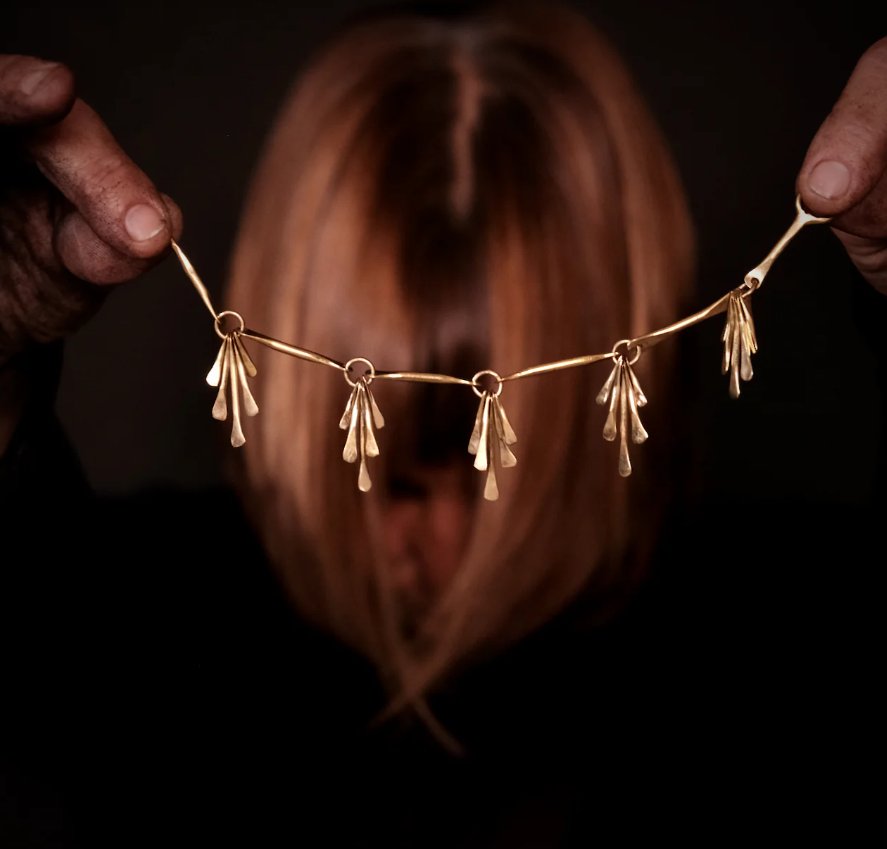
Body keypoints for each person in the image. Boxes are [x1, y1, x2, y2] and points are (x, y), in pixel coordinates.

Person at [0, 2, 884, 846]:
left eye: (514, 466)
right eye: (398, 480)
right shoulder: (127, 634)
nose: (460, 555)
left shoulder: (795, 648)